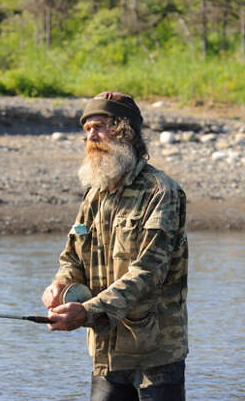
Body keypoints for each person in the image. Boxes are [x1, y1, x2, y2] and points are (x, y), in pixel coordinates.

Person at [42, 91, 188, 401]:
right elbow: (72, 256)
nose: (90, 136)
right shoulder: (94, 194)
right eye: (86, 130)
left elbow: (149, 273)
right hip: (106, 354)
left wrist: (86, 311)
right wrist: (61, 281)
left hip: (156, 356)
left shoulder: (162, 192)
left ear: (126, 131)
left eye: (99, 126)